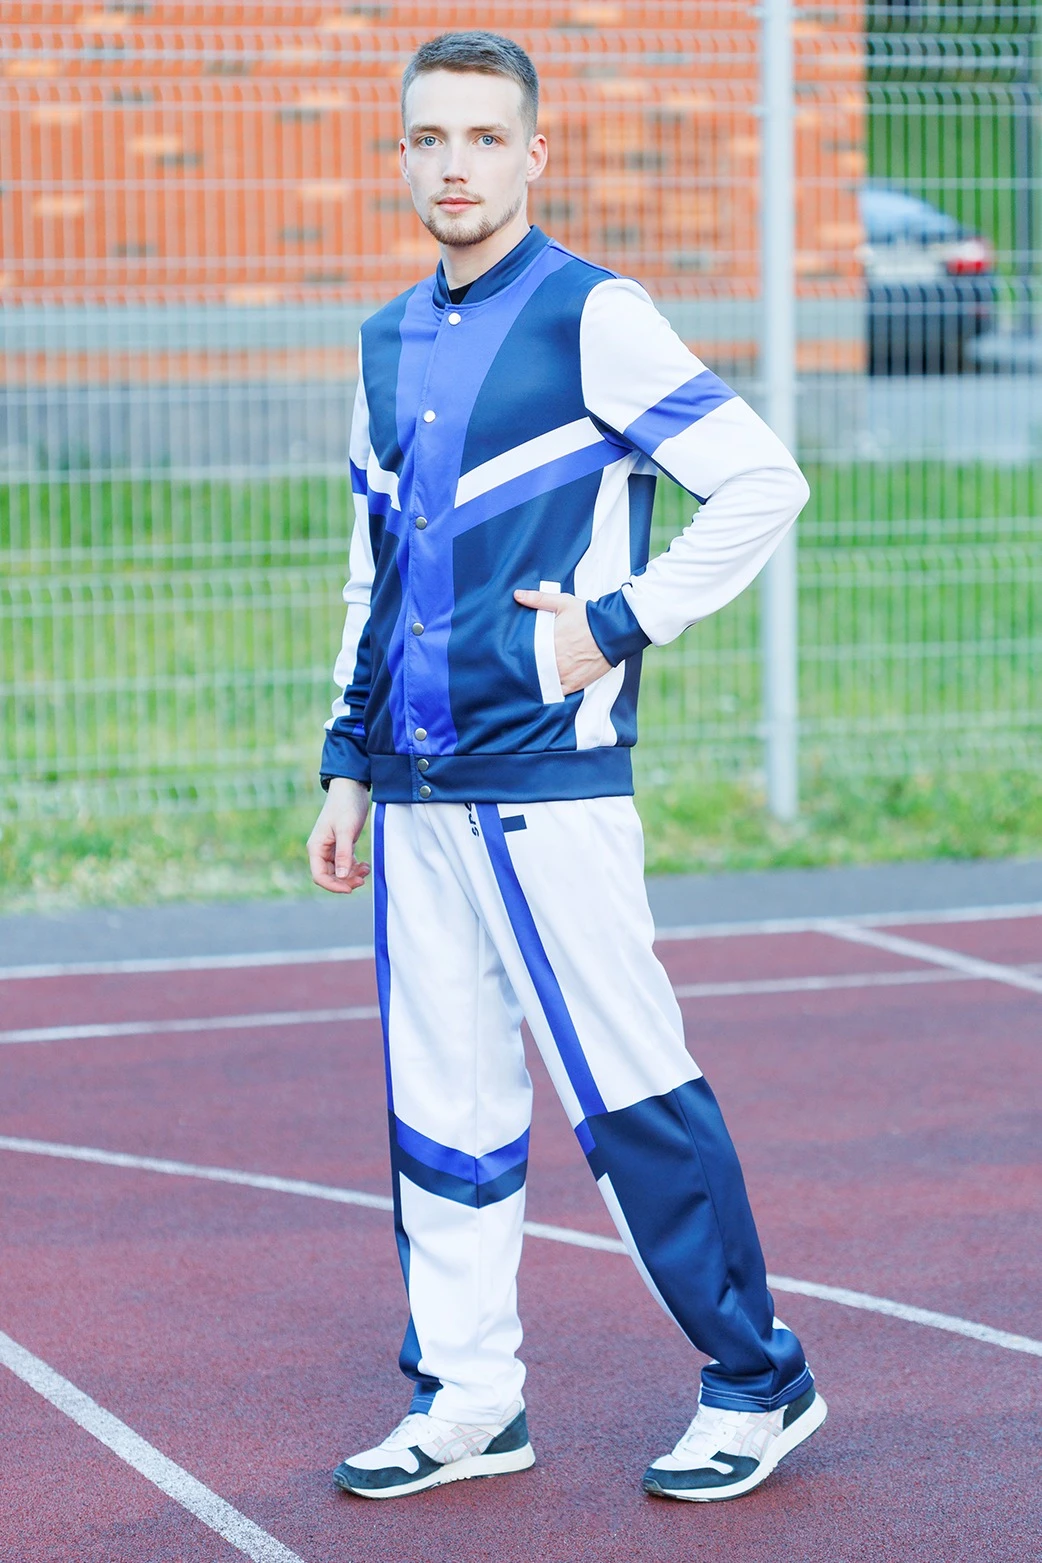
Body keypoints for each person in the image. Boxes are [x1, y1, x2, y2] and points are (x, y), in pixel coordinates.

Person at [307, 29, 826, 1504]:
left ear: (535, 154)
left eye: (485, 137)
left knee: (630, 1092)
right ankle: (470, 1399)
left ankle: (758, 1381)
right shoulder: (383, 340)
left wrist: (615, 623)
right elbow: (377, 571)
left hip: (548, 784)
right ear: (402, 155)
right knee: (444, 1108)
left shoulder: (594, 315)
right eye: (429, 138)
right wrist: (345, 758)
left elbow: (762, 481)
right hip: (415, 793)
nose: (455, 165)